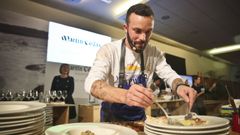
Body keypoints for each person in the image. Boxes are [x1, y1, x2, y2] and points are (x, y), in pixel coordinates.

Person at [84, 3, 197, 122]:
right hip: (111, 122)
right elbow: (92, 84)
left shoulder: (154, 53)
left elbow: (169, 75)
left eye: (148, 32)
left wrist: (180, 85)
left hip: (139, 120)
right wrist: (126, 96)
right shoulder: (109, 50)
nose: (143, 38)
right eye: (137, 31)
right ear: (125, 28)